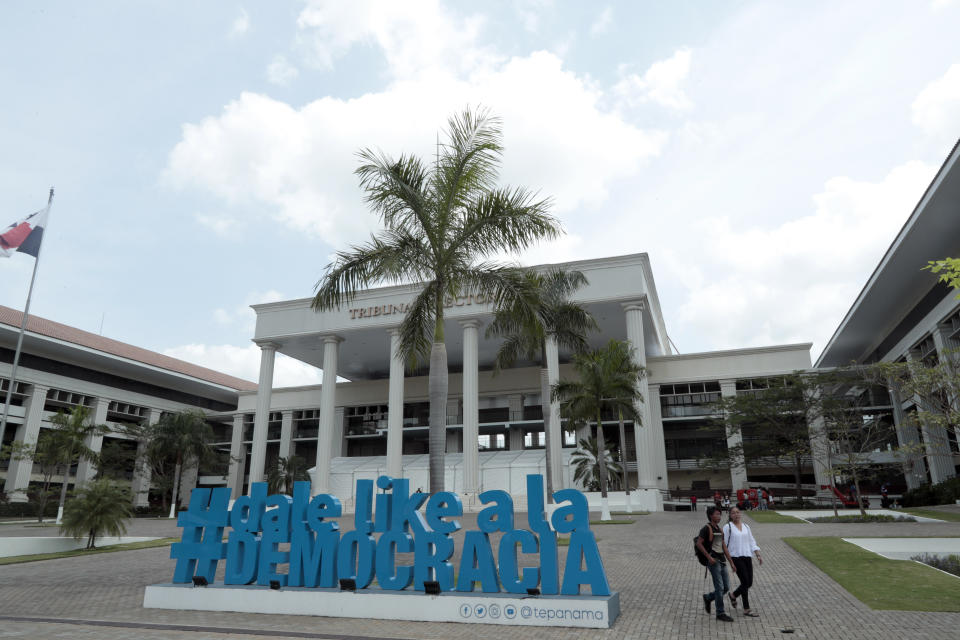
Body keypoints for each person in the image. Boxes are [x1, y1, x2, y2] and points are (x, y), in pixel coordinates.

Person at [695, 506, 736, 622]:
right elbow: (699, 543)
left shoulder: (719, 529)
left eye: (720, 514)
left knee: (726, 587)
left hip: (722, 560)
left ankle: (708, 598)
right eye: (717, 514)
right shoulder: (706, 528)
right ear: (711, 515)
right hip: (713, 562)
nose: (719, 516)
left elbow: (724, 547)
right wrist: (709, 557)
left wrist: (731, 562)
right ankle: (720, 612)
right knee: (719, 588)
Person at [724, 506, 763, 618]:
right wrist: (730, 562)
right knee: (745, 582)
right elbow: (725, 545)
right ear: (730, 515)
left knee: (749, 582)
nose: (736, 514)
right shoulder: (728, 527)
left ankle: (733, 595)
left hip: (747, 556)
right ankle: (746, 609)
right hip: (736, 557)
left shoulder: (746, 526)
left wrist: (758, 554)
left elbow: (752, 541)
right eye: (733, 513)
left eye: (737, 512)